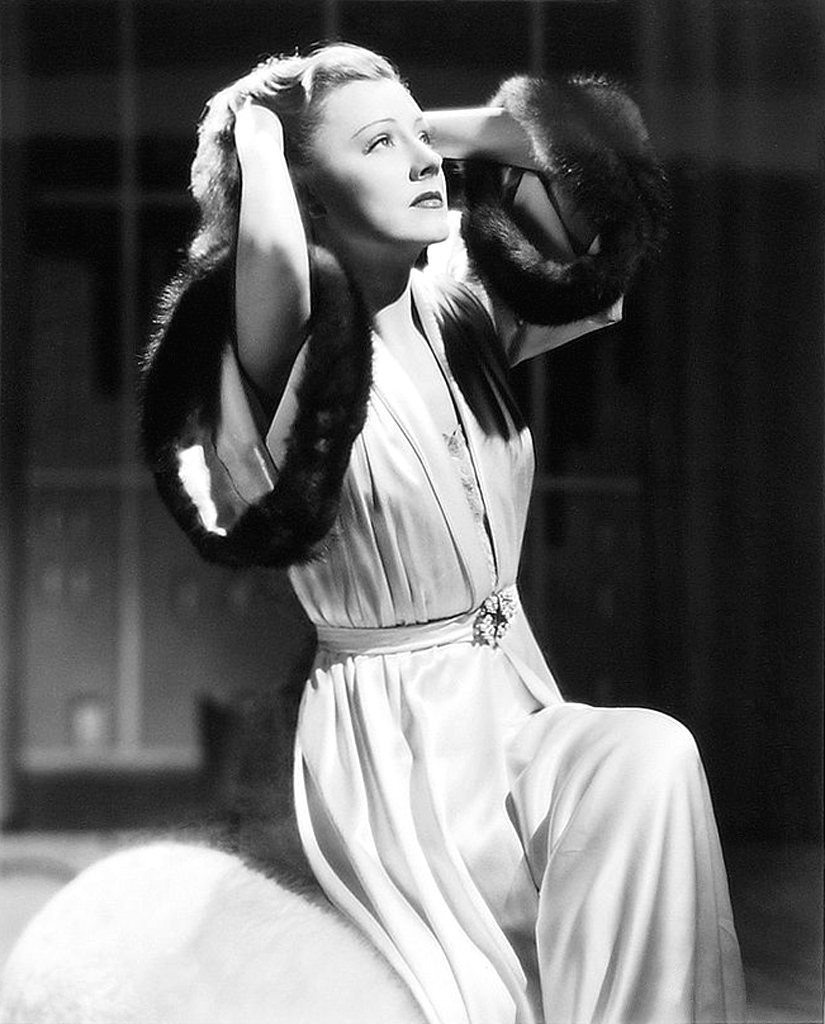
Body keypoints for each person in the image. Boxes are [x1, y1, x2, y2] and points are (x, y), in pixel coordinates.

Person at [6, 43, 746, 1024]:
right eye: (377, 146)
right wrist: (259, 136)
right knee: (474, 997)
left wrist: (411, 127)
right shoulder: (289, 343)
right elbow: (275, 258)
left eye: (418, 137)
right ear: (305, 199)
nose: (422, 160)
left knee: (649, 759)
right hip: (397, 748)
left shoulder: (465, 303)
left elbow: (600, 171)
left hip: (512, 697)